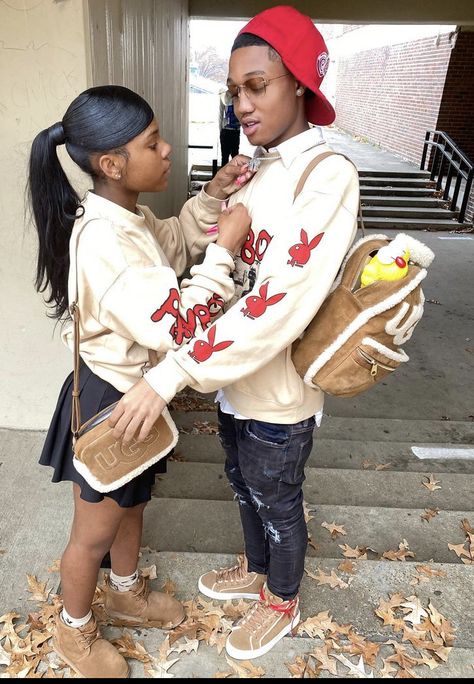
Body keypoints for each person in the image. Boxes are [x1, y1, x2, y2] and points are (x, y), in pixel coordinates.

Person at [110, 5, 360, 660]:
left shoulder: (325, 176)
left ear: (300, 84)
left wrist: (169, 374)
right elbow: (227, 269)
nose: (242, 104)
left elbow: (278, 302)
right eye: (235, 91)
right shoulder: (260, 166)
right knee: (242, 481)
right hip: (231, 382)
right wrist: (217, 206)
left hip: (279, 393)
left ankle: (281, 596)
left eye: (258, 86)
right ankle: (255, 569)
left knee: (278, 499)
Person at [28, 84, 253, 678]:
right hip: (109, 398)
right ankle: (71, 632)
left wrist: (210, 200)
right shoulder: (104, 240)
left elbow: (172, 246)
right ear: (112, 163)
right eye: (153, 142)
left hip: (135, 393)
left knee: (132, 503)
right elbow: (181, 326)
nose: (168, 149)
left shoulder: (127, 216)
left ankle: (125, 595)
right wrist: (224, 252)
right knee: (93, 531)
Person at [219, 90, 241, 166]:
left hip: (235, 130)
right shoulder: (223, 96)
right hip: (227, 130)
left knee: (234, 155)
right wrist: (221, 130)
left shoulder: (239, 95)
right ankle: (224, 176)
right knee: (226, 156)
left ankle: (234, 176)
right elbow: (220, 114)